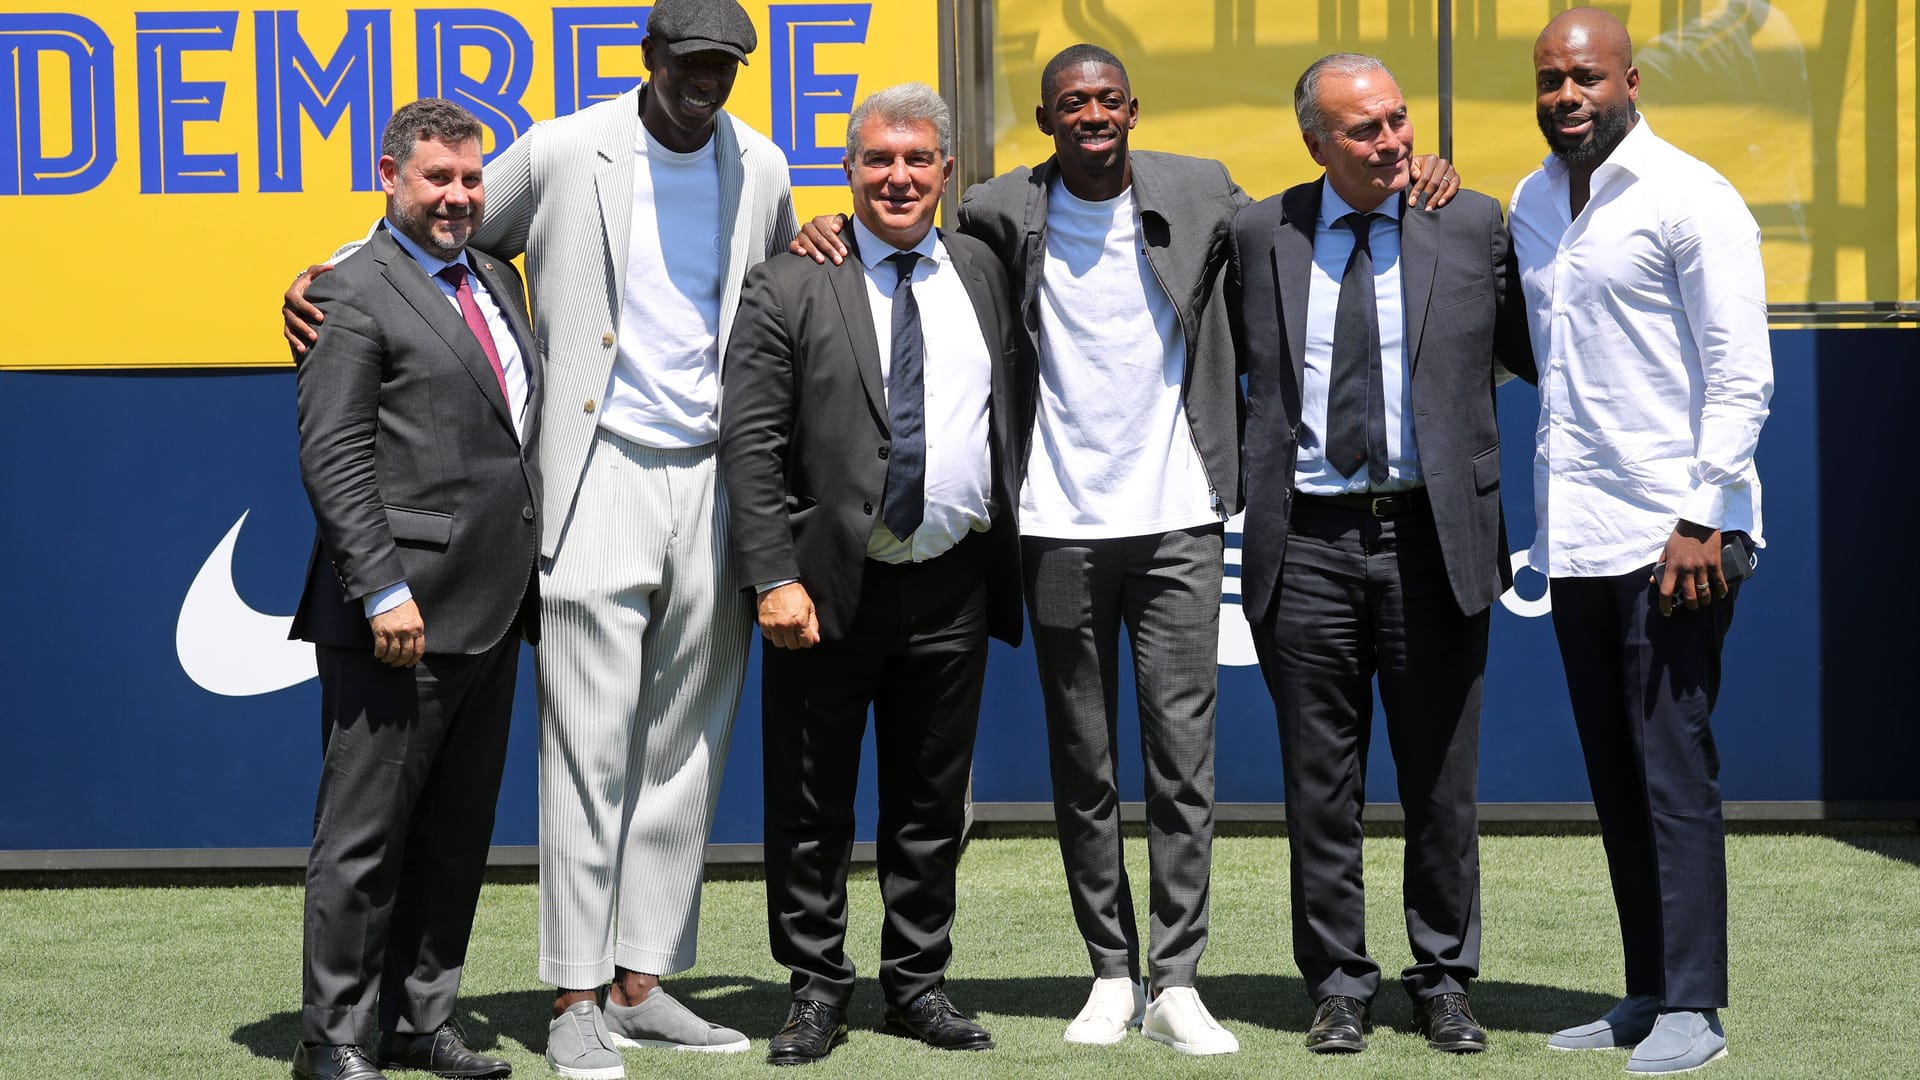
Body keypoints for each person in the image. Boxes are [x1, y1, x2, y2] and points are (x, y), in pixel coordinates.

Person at [789, 44, 1461, 1054]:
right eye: (1072, 103)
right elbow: (902, 226)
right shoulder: (997, 211)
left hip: (1181, 516)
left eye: (1108, 99)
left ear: (1133, 109)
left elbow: (1309, 209)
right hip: (1056, 525)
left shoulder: (1202, 193)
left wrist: (1426, 179)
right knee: (1084, 760)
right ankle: (1109, 969)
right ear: (1047, 119)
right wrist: (828, 225)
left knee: (1184, 760)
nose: (1093, 114)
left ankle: (1176, 977)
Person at [283, 2, 796, 1075]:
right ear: (650, 59)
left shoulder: (764, 164)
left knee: (685, 743)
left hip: (713, 482)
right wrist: (317, 277)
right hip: (592, 469)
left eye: (727, 65)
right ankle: (573, 995)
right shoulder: (568, 147)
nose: (709, 79)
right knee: (585, 747)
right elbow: (436, 224)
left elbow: (778, 293)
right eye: (691, 60)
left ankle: (643, 979)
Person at [1226, 53, 1532, 1056]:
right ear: (1315, 142)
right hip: (1304, 541)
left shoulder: (1473, 221)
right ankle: (1339, 985)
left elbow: (1540, 346)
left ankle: (1443, 979)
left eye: (1398, 120)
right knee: (1321, 783)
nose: (1393, 141)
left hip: (1432, 538)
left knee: (1441, 778)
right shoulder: (1258, 232)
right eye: (1364, 130)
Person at [718, 82, 1027, 1067]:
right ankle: (815, 989)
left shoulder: (983, 268)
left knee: (932, 806)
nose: (899, 175)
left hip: (952, 582)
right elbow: (752, 447)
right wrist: (772, 575)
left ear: (947, 171)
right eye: (878, 159)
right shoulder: (788, 282)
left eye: (918, 158)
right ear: (848, 171)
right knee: (810, 807)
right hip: (824, 589)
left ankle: (918, 986)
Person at [1510, 9, 1771, 1074]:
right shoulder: (1531, 201)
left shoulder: (1691, 197)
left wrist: (1704, 515)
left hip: (1677, 536)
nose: (1566, 96)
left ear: (1629, 78)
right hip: (1576, 535)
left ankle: (1696, 1007)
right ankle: (1649, 990)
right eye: (1548, 81)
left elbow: (1740, 370)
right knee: (1616, 773)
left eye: (1585, 77)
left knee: (1673, 769)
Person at [289, 97, 540, 1080]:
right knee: (362, 840)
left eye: (471, 178)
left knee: (453, 833)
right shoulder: (348, 290)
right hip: (396, 617)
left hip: (492, 607)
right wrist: (383, 590)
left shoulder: (496, 275)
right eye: (436, 177)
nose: (457, 196)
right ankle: (336, 1038)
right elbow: (336, 453)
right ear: (388, 176)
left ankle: (420, 1018)